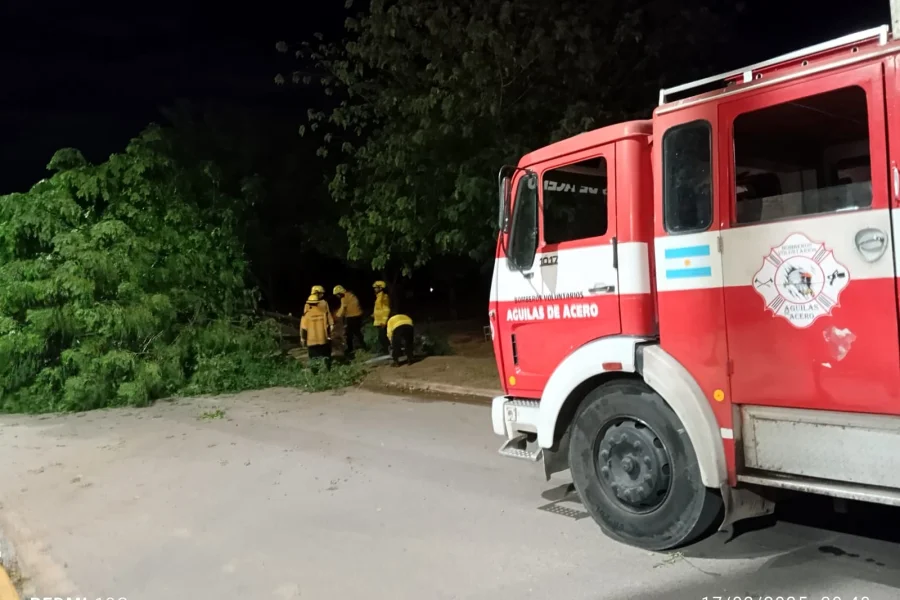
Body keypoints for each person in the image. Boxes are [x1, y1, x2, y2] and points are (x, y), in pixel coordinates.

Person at [300, 293, 334, 370]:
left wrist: (303, 339)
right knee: (326, 356)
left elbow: (303, 329)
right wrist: (328, 336)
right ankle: (328, 369)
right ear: (317, 302)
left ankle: (315, 373)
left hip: (311, 341)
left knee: (313, 358)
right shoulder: (323, 313)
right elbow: (329, 326)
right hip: (322, 340)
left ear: (308, 303)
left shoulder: (306, 315)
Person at [333, 285, 367, 357]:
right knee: (357, 333)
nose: (337, 296)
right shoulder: (349, 295)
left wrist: (336, 316)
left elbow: (343, 308)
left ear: (339, 293)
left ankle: (351, 349)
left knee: (349, 334)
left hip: (352, 317)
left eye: (337, 295)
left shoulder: (344, 298)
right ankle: (363, 347)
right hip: (357, 315)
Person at [372, 280, 391, 355]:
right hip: (379, 321)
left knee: (383, 337)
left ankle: (388, 351)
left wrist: (384, 321)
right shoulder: (379, 297)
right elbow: (379, 308)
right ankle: (386, 350)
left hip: (382, 322)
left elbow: (386, 309)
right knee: (381, 337)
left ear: (381, 288)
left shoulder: (384, 297)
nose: (374, 289)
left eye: (376, 288)